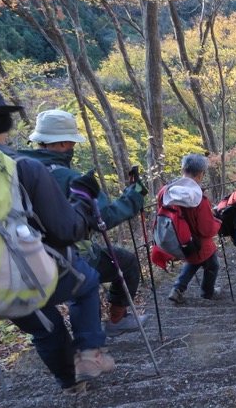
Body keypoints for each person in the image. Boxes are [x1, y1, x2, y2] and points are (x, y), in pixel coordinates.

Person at [0, 81, 114, 393]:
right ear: (3, 122)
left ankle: (70, 383)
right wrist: (83, 200)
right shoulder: (20, 167)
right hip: (25, 273)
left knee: (43, 326)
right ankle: (88, 354)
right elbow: (67, 230)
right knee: (86, 281)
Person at [19, 109, 148, 337]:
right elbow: (104, 218)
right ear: (60, 145)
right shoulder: (68, 176)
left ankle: (76, 339)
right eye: (70, 142)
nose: (72, 146)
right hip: (67, 253)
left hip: (22, 258)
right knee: (122, 265)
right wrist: (134, 196)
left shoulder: (13, 168)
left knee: (89, 278)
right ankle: (114, 322)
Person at [166, 154, 222, 303]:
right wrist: (217, 221)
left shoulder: (170, 192)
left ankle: (178, 288)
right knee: (212, 266)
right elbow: (207, 230)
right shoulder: (200, 199)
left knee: (193, 262)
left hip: (180, 239)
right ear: (201, 174)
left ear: (183, 170)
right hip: (200, 243)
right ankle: (208, 293)